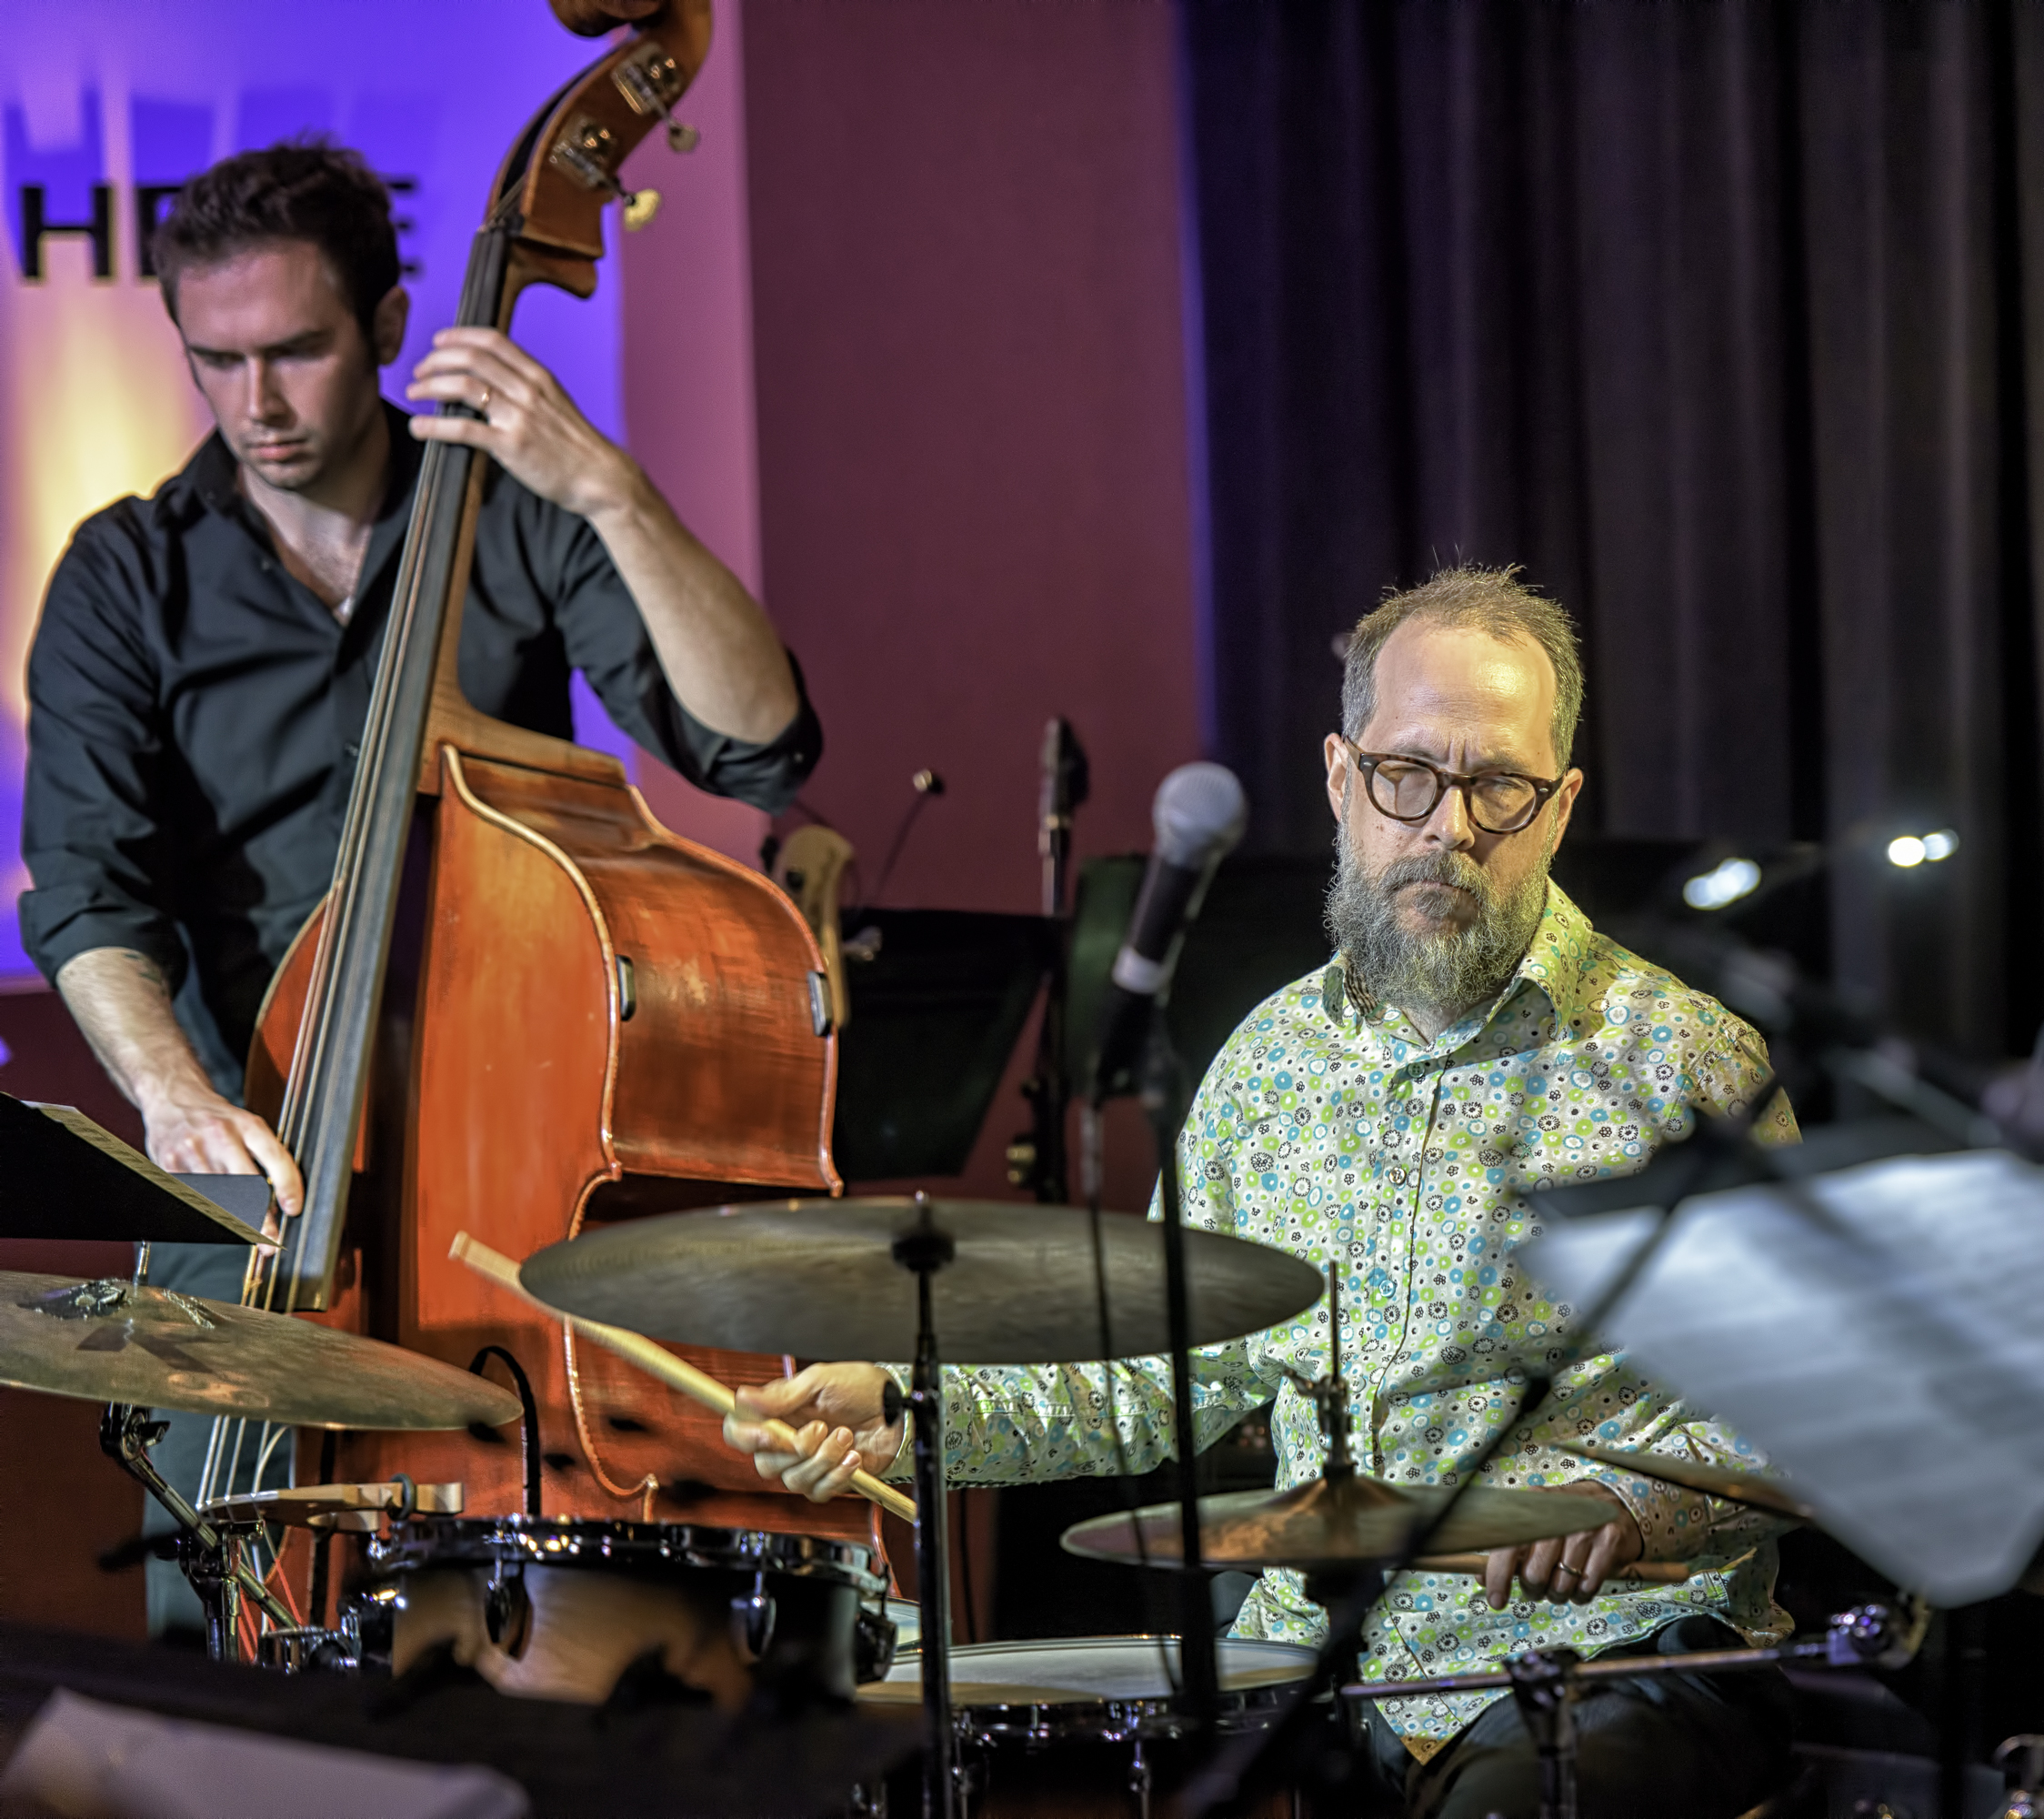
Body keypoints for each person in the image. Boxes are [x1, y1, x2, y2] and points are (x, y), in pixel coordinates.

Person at [726, 567, 1797, 1819]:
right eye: (1408, 776)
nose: (1448, 827)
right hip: (1312, 1670)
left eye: (1496, 785)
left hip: (1616, 1659)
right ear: (1343, 783)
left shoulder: (1681, 1063)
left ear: (1557, 810)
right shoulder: (1267, 1068)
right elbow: (1157, 1376)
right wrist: (905, 1409)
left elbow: (1813, 1404)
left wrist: (1633, 1503)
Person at [19, 141, 818, 1632]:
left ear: (390, 324)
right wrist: (171, 1092)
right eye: (219, 360)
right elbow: (83, 889)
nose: (256, 402)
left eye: (299, 352)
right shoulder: (125, 577)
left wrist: (611, 490)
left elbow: (754, 744)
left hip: (502, 1160)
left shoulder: (515, 521)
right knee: (220, 1621)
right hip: (248, 1171)